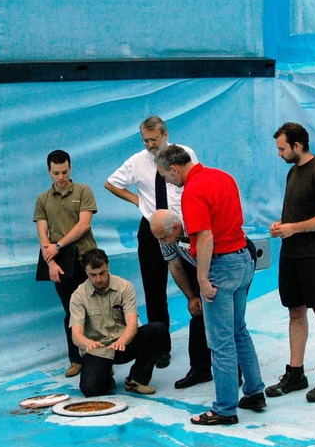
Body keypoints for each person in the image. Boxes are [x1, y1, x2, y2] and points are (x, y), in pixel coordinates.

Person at [155, 145, 265, 426]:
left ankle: (225, 409)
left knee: (221, 341)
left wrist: (203, 279)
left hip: (222, 265)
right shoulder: (222, 176)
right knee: (239, 330)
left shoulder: (192, 191)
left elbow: (204, 237)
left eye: (167, 177)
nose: (168, 182)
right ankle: (254, 392)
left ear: (175, 169)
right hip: (243, 259)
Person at [105, 115, 198, 369]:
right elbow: (111, 183)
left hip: (182, 225)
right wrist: (138, 201)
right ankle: (161, 347)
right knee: (154, 289)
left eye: (153, 139)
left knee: (194, 281)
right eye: (145, 140)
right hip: (152, 227)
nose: (149, 145)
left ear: (165, 134)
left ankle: (202, 346)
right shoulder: (137, 161)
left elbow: (195, 182)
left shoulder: (183, 153)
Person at [266, 122, 315, 402]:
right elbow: (298, 213)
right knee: (295, 312)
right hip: (291, 255)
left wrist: (294, 228)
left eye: (282, 148)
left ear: (298, 146)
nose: (279, 153)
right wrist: (282, 225)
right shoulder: (293, 173)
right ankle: (296, 372)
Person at [151, 210, 259, 390]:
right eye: (159, 238)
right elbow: (176, 267)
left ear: (176, 228)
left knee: (227, 319)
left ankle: (234, 373)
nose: (161, 242)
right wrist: (191, 297)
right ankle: (200, 369)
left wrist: (206, 285)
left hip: (229, 259)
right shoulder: (166, 235)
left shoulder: (197, 227)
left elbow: (215, 254)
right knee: (198, 313)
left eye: (163, 238)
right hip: (203, 265)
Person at [34, 149, 98, 378]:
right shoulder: (42, 199)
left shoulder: (83, 191)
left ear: (70, 169)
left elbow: (84, 225)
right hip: (61, 264)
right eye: (56, 173)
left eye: (64, 172)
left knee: (96, 309)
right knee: (71, 312)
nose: (61, 177)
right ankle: (76, 359)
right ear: (49, 172)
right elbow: (43, 234)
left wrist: (58, 245)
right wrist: (51, 262)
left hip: (87, 259)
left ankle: (100, 357)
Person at [69, 248, 166, 397]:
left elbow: (132, 324)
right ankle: (106, 376)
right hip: (98, 348)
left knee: (157, 329)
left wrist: (122, 341)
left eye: (102, 273)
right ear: (86, 273)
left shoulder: (124, 287)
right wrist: (87, 343)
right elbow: (76, 334)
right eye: (93, 275)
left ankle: (137, 380)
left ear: (107, 267)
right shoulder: (78, 295)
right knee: (91, 390)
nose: (98, 279)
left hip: (123, 343)